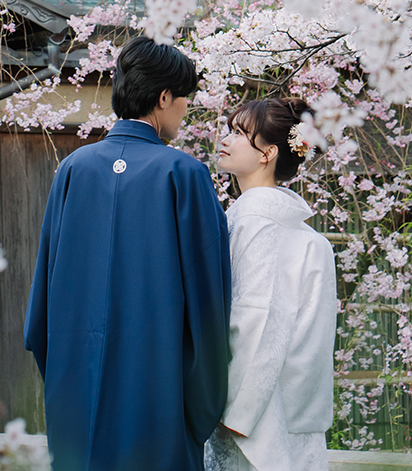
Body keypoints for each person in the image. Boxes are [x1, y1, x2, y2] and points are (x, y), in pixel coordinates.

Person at [24, 36, 231, 471]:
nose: (186, 110)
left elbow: (41, 306)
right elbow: (209, 306)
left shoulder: (73, 169)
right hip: (158, 407)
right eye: (184, 99)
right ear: (163, 97)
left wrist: (69, 382)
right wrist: (199, 410)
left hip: (76, 406)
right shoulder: (184, 173)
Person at [205, 97, 337, 471]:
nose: (226, 139)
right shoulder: (310, 239)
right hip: (295, 417)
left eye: (240, 133)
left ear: (268, 153)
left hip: (249, 417)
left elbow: (256, 325)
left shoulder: (255, 224)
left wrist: (233, 412)